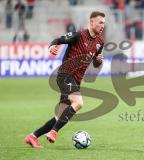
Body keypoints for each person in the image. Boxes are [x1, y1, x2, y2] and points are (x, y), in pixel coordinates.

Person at [24, 11, 105, 148]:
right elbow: (59, 39)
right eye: (100, 22)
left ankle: (33, 136)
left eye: (104, 23)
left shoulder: (100, 42)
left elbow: (96, 63)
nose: (103, 25)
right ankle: (54, 132)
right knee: (78, 102)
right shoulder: (79, 35)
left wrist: (98, 61)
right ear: (92, 22)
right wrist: (52, 46)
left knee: (60, 116)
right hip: (65, 75)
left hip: (76, 81)